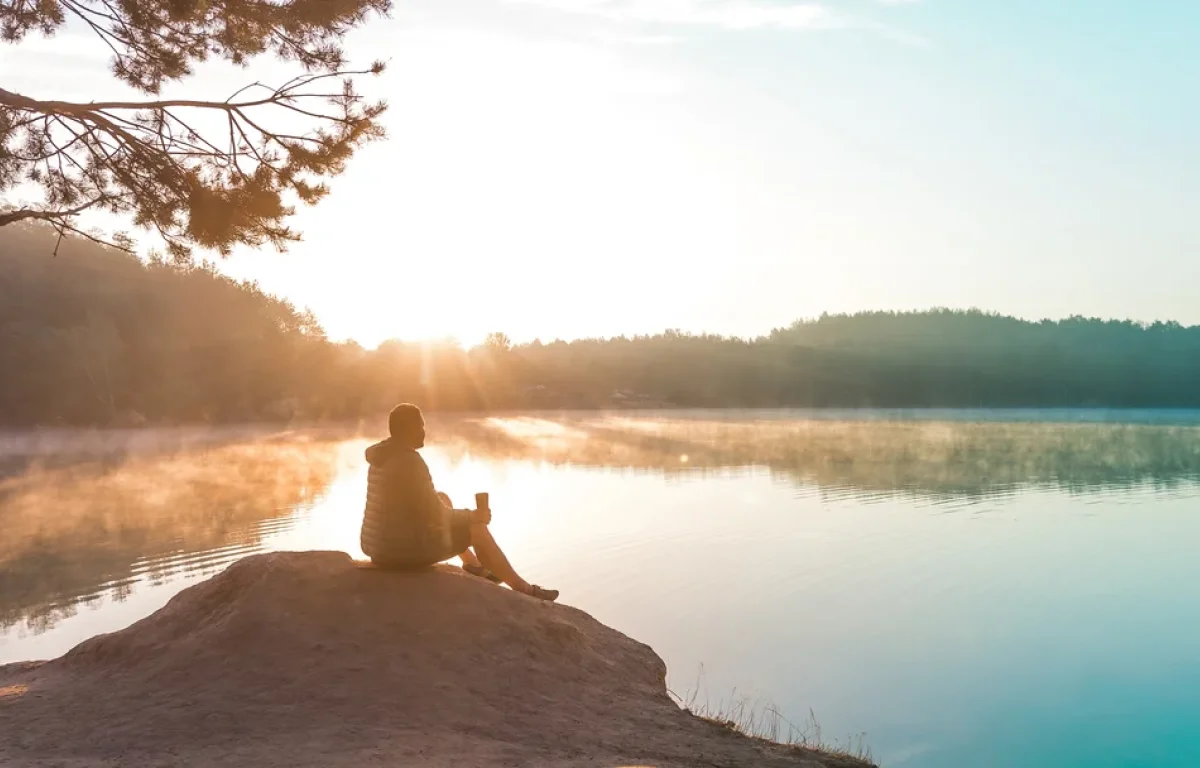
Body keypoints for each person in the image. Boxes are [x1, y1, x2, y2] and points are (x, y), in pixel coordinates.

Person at [360, 403, 558, 602]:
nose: (423, 432)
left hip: (378, 546)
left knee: (442, 497)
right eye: (420, 426)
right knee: (477, 529)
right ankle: (525, 590)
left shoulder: (383, 455)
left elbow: (424, 506)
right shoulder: (410, 462)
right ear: (408, 429)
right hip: (398, 553)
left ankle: (473, 565)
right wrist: (473, 516)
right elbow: (436, 514)